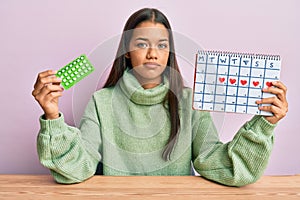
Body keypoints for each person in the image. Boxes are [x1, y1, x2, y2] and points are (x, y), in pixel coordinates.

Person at [32, 8, 288, 186]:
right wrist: (52, 115)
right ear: (128, 52)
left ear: (169, 54)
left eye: (162, 45)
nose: (153, 53)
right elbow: (78, 168)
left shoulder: (189, 102)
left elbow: (222, 166)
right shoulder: (102, 102)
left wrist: (264, 125)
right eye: (142, 44)